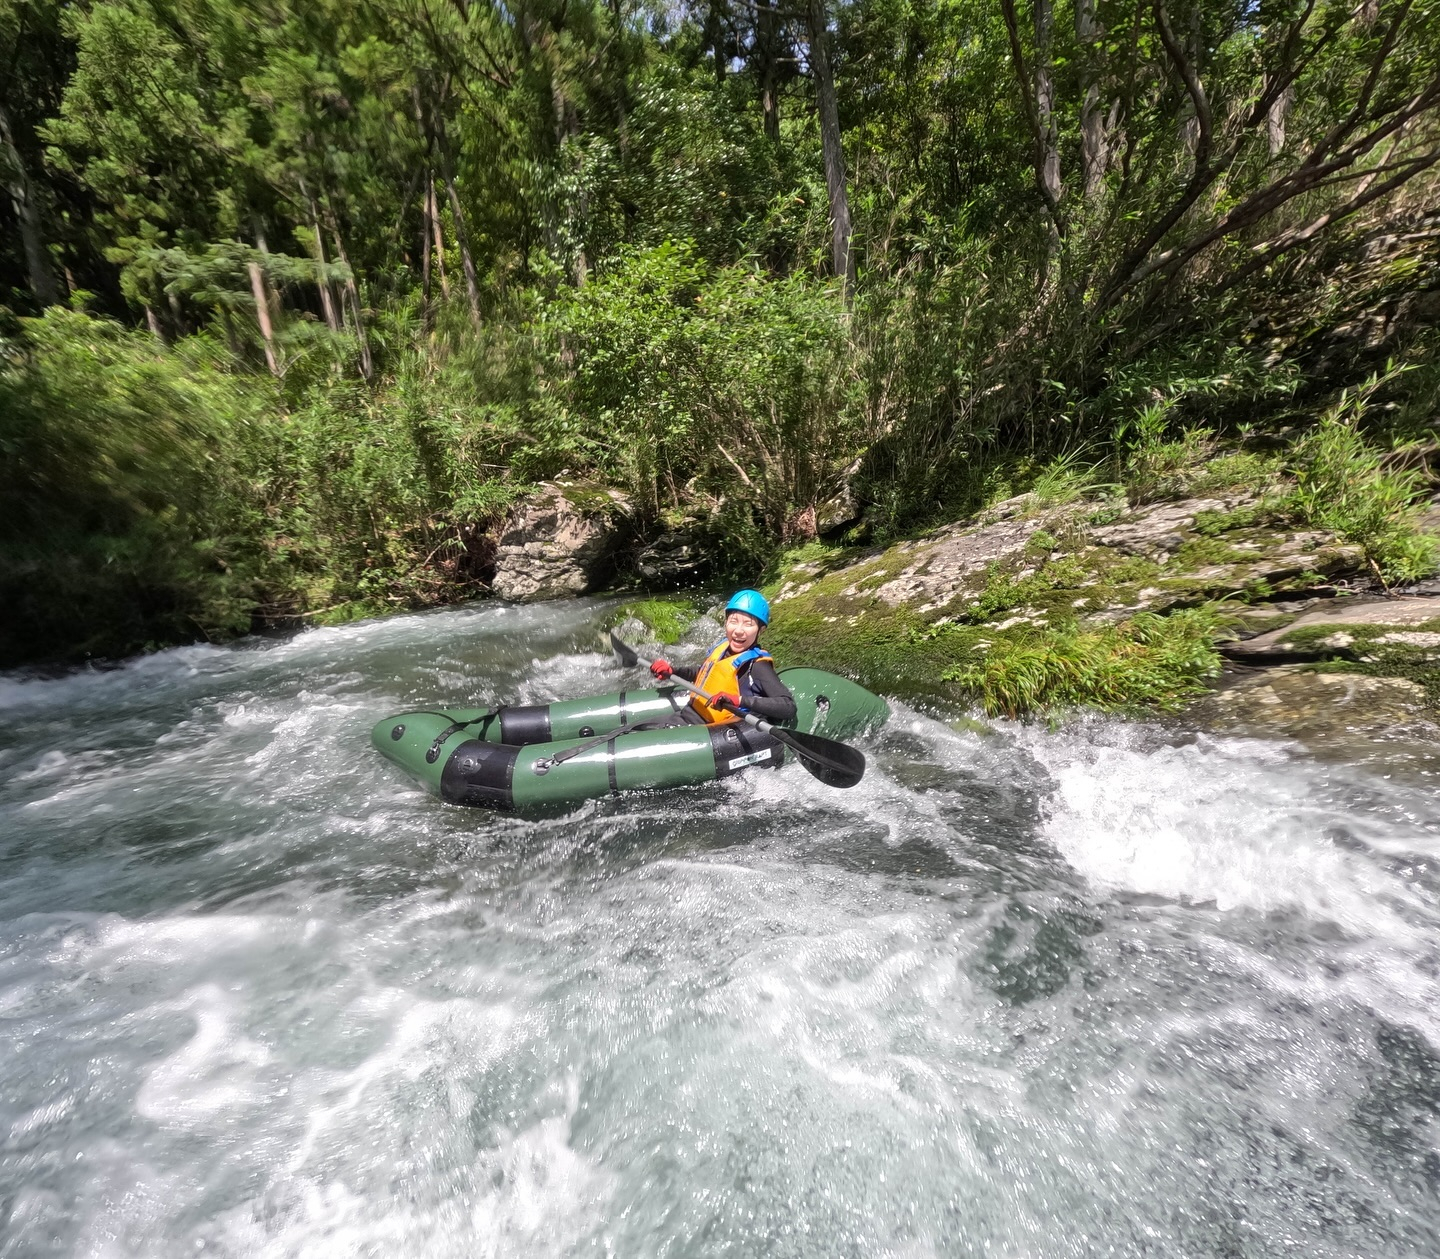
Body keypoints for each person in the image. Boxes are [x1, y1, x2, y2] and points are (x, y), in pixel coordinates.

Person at [649, 589, 797, 725]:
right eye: (733, 621)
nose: (739, 631)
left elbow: (788, 706)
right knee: (630, 732)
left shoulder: (757, 666)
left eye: (748, 624)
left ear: (761, 630)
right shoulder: (723, 647)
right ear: (726, 623)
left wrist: (738, 701)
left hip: (708, 730)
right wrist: (672, 671)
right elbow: (704, 673)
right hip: (689, 714)